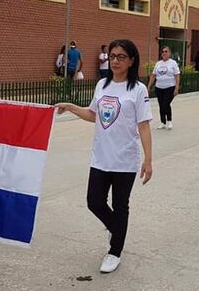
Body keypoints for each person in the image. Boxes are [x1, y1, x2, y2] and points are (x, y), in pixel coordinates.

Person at [54, 39, 153, 274]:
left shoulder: (138, 90)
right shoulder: (102, 85)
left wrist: (148, 160)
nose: (115, 61)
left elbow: (144, 126)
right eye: (113, 56)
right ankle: (116, 229)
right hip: (100, 157)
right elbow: (93, 115)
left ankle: (114, 251)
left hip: (124, 160)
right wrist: (70, 106)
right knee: (94, 202)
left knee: (121, 206)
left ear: (131, 61)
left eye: (121, 57)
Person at [147, 46, 181, 130]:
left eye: (166, 51)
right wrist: (149, 86)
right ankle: (163, 122)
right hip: (159, 87)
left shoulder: (173, 63)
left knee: (166, 104)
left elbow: (177, 76)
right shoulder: (158, 63)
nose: (164, 53)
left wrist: (176, 88)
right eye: (162, 52)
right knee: (161, 105)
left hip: (169, 87)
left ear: (169, 53)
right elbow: (153, 75)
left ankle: (169, 121)